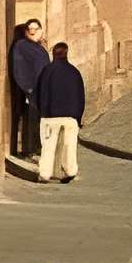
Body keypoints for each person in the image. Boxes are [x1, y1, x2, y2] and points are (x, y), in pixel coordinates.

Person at [34, 38, 87, 184]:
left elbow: (40, 94)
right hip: (70, 117)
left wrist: (42, 112)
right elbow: (80, 96)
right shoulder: (74, 72)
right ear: (66, 53)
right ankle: (70, 171)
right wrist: (78, 117)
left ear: (53, 54)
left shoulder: (46, 72)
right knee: (69, 146)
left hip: (50, 116)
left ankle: (45, 173)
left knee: (48, 146)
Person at [8, 20, 49, 168]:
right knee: (29, 120)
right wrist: (28, 89)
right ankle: (28, 150)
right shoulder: (21, 46)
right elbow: (19, 69)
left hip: (41, 89)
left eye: (35, 29)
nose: (32, 32)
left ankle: (36, 148)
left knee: (38, 120)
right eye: (29, 29)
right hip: (30, 91)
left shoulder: (37, 46)